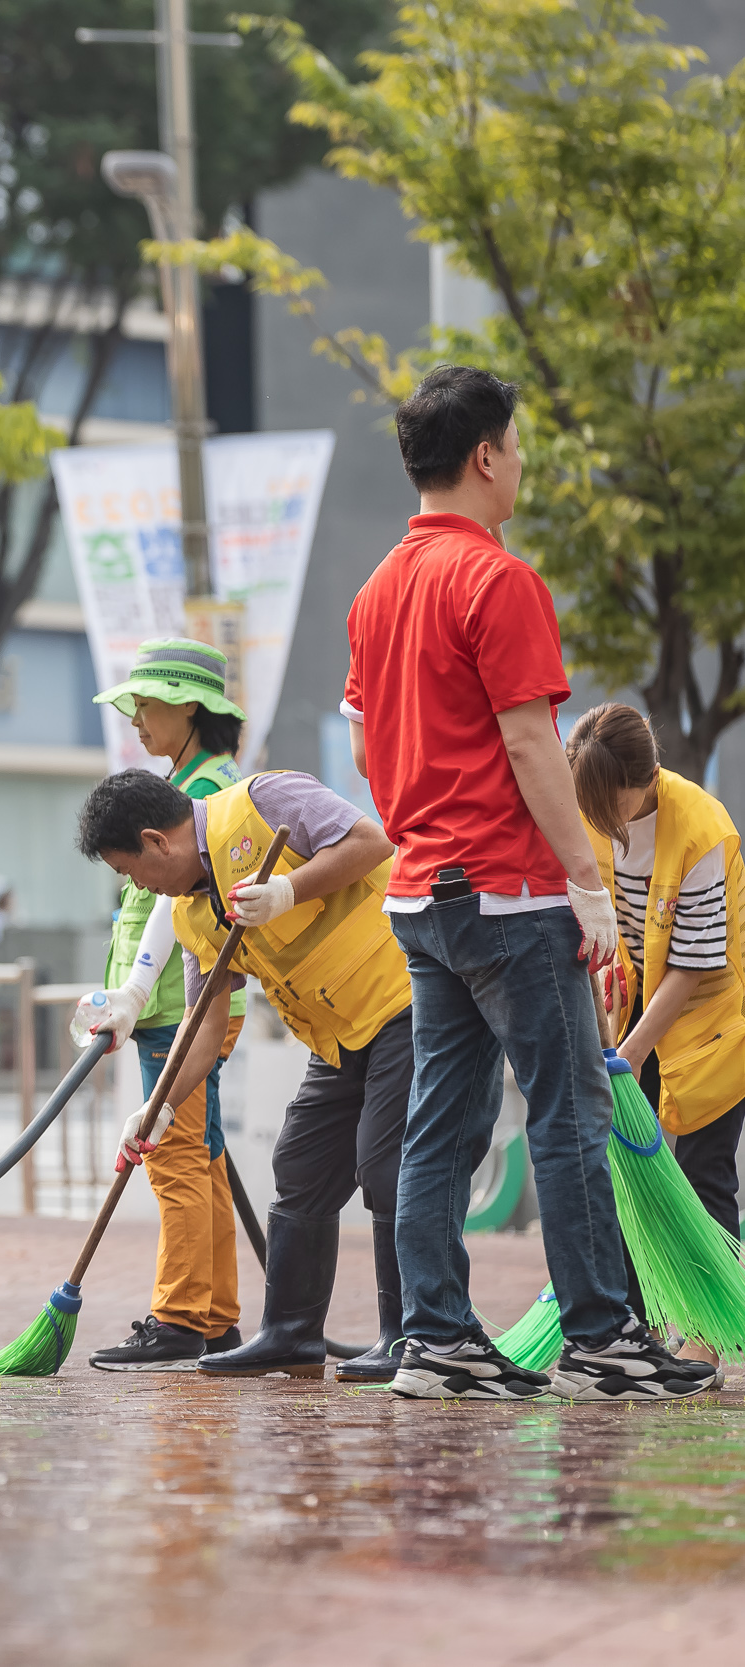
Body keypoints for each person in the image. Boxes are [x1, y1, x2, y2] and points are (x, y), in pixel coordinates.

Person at [345, 363, 710, 1402]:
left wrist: (424, 823)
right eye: (516, 450)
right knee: (566, 1114)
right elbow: (529, 742)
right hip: (506, 893)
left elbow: (371, 756)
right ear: (485, 456)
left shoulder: (375, 591)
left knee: (440, 1125)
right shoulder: (498, 580)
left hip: (420, 897)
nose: (520, 468)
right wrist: (588, 886)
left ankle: (436, 1337)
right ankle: (602, 1332)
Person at [76, 768, 414, 1382]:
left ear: (157, 842)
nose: (138, 886)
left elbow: (372, 842)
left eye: (131, 872)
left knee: (385, 1164)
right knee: (300, 1163)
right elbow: (203, 1027)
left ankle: (407, 1336)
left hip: (403, 1002)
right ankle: (290, 1334)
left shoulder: (264, 800)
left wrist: (289, 889)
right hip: (336, 1035)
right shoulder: (191, 915)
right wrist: (157, 1108)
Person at [69, 638, 248, 1370]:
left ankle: (179, 1317)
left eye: (148, 706)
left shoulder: (202, 794)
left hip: (184, 1006)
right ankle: (215, 1315)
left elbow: (170, 912)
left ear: (192, 707)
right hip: (180, 1003)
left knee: (172, 1154)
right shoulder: (195, 779)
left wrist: (137, 994)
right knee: (201, 1158)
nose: (138, 721)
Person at [568, 702, 745, 1376]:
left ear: (644, 779)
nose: (598, 817)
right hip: (631, 992)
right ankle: (630, 1323)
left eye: (607, 801)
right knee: (622, 1168)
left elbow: (697, 965)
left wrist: (631, 1050)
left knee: (703, 1172)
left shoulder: (700, 828)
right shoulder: (589, 806)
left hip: (710, 1014)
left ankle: (707, 1332)